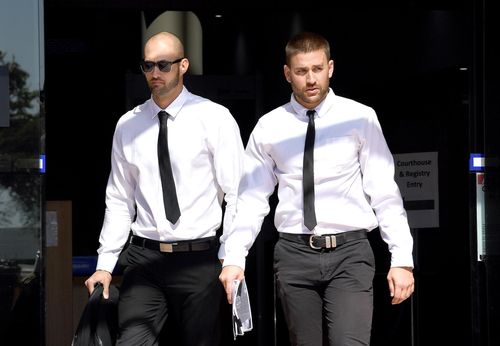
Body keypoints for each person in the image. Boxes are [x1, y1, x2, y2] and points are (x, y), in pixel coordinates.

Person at [219, 31, 414, 346]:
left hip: (350, 252)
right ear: (287, 73)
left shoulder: (360, 118)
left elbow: (385, 192)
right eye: (301, 71)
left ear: (330, 68)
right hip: (294, 254)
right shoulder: (270, 126)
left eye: (317, 69)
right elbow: (251, 200)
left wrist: (402, 258)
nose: (311, 79)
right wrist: (234, 257)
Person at [85, 31, 244, 346]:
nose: (155, 73)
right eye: (147, 66)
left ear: (183, 65)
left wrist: (233, 257)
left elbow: (238, 193)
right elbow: (118, 199)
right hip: (145, 259)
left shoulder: (213, 118)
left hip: (198, 258)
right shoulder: (128, 125)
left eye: (163, 65)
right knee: (131, 341)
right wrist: (105, 265)